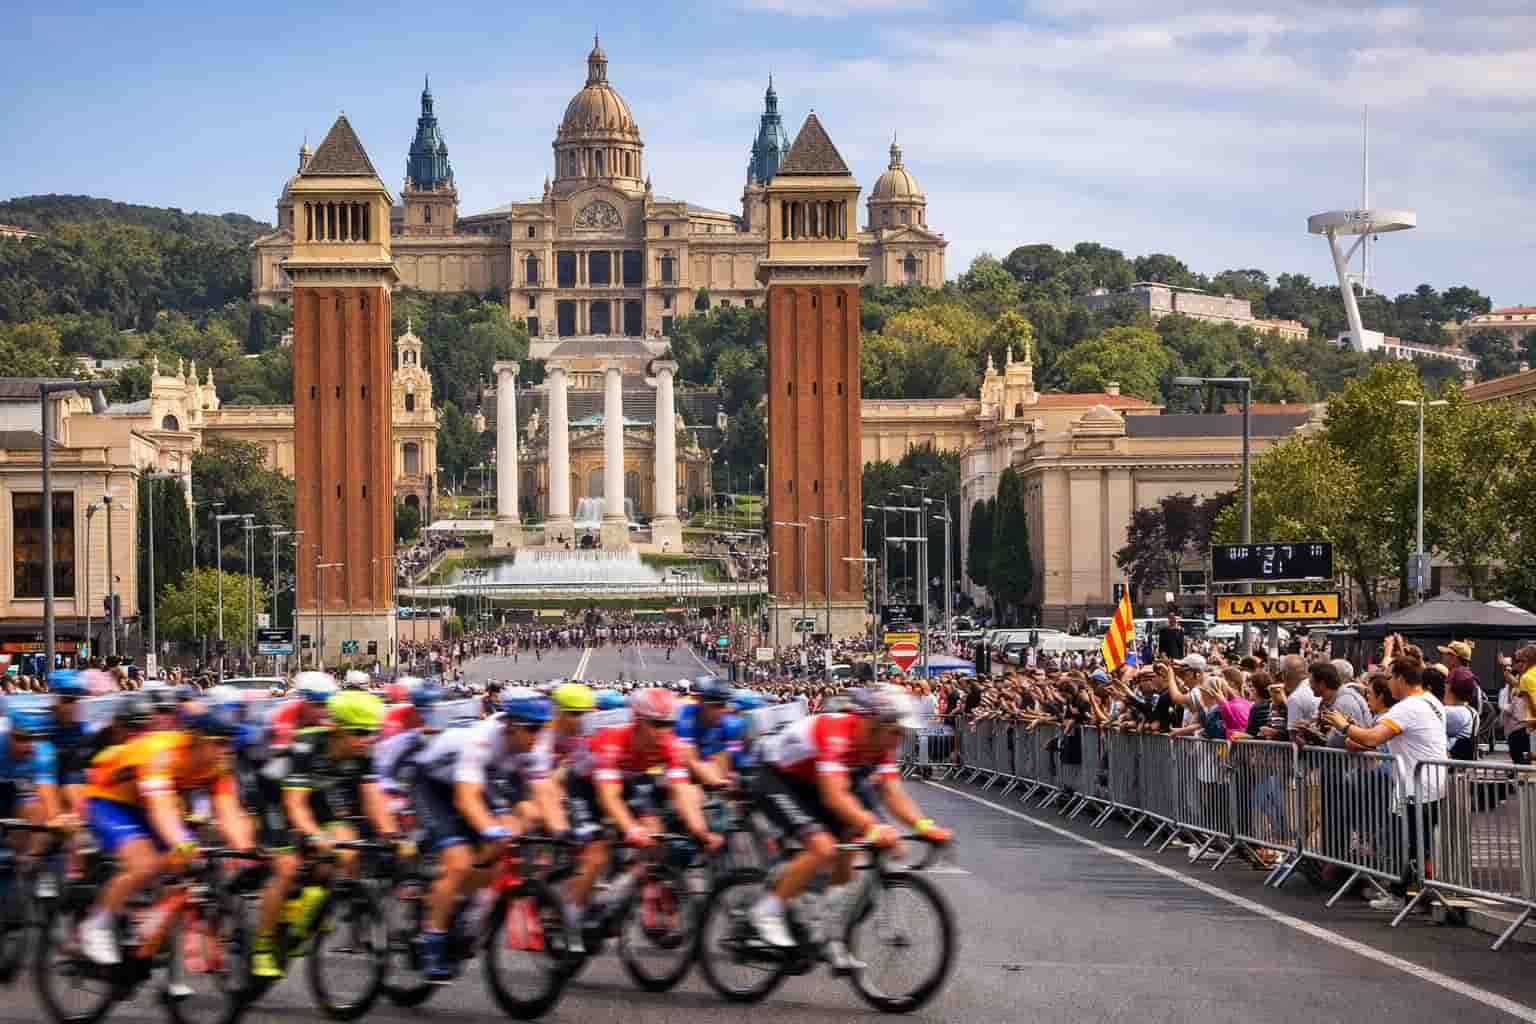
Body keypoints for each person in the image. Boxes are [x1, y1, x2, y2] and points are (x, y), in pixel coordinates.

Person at [750, 685, 951, 973]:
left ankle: (829, 936)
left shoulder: (882, 743)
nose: (900, 739)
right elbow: (834, 796)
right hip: (776, 777)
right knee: (821, 846)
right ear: (874, 723)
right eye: (896, 731)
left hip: (813, 782)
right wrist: (874, 827)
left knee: (849, 848)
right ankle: (766, 912)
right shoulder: (837, 731)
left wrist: (924, 826)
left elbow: (893, 792)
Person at [79, 705, 252, 965]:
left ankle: (143, 929)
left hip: (149, 799)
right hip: (110, 799)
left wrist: (244, 850)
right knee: (145, 863)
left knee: (181, 864)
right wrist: (183, 842)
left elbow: (228, 809)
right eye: (219, 743)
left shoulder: (220, 763)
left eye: (229, 743)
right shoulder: (161, 753)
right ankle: (96, 924)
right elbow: (161, 809)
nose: (225, 750)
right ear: (196, 739)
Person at [1321, 657, 1446, 912]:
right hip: (1430, 784)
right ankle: (1411, 895)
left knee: (1410, 845)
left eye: (1389, 677)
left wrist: (1344, 726)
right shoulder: (1431, 702)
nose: (1387, 684)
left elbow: (1372, 738)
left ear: (1400, 678)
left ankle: (1408, 897)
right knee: (1417, 846)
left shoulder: (1407, 707)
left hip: (1415, 787)